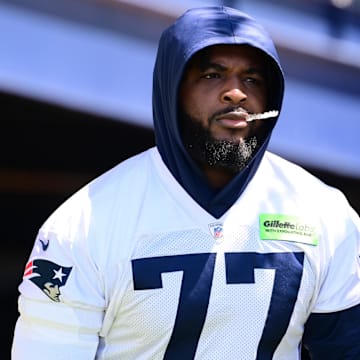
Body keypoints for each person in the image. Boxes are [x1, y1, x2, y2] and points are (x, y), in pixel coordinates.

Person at [11, 6, 360, 359]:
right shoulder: (83, 224)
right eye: (212, 75)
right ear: (172, 89)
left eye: (253, 79)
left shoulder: (325, 213)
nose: (236, 93)